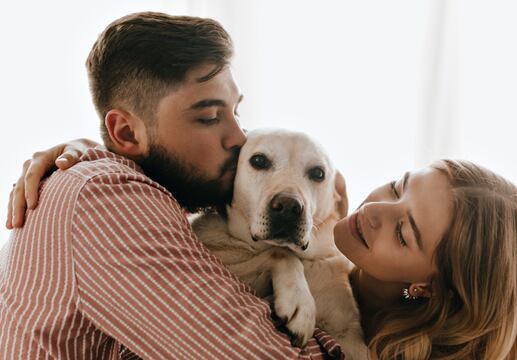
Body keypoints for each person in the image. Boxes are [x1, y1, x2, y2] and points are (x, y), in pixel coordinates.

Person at [0, 12, 342, 359]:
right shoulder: (109, 201)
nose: (239, 138)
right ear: (126, 133)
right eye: (208, 117)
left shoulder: (107, 184)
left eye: (235, 112)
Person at [9, 141, 517, 359]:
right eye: (399, 186)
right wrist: (91, 158)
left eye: (405, 232)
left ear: (428, 286)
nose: (377, 210)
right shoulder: (313, 257)